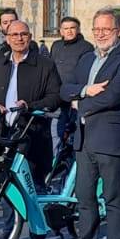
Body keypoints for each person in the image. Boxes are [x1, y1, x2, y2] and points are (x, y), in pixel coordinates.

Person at [58, 8, 120, 239]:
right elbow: (65, 88)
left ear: (118, 31)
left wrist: (79, 104)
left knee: (114, 198)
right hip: (84, 139)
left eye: (106, 29)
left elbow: (113, 97)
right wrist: (84, 90)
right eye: (97, 29)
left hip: (110, 139)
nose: (101, 34)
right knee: (84, 196)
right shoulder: (85, 60)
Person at [0, 19, 63, 239]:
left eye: (24, 34)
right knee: (7, 186)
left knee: (34, 185)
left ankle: (38, 235)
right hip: (5, 134)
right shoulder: (0, 64)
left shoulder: (44, 65)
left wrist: (30, 105)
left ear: (30, 37)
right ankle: (11, 233)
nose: (19, 38)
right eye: (14, 34)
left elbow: (55, 97)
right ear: (6, 38)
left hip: (33, 133)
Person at [51, 17, 93, 149]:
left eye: (72, 28)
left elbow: (87, 73)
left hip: (76, 96)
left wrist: (78, 95)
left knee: (75, 131)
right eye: (65, 29)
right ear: (61, 31)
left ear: (78, 30)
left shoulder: (87, 47)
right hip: (57, 95)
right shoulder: (56, 45)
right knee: (55, 131)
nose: (69, 31)